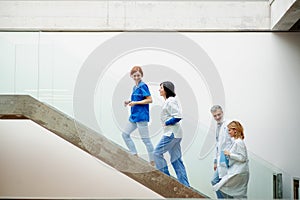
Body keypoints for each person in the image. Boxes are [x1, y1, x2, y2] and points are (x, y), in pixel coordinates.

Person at [153, 81, 190, 187]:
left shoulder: (171, 101)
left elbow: (178, 116)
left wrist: (167, 122)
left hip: (171, 134)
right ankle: (185, 186)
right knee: (176, 160)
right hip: (175, 134)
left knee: (156, 153)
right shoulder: (168, 101)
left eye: (161, 88)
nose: (159, 90)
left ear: (166, 89)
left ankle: (166, 177)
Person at [122, 66, 155, 166]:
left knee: (146, 140)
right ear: (131, 76)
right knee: (125, 134)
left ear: (142, 75)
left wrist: (135, 102)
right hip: (134, 116)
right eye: (135, 75)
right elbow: (137, 100)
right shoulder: (135, 87)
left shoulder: (143, 86)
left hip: (141, 117)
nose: (136, 77)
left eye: (138, 75)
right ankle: (134, 154)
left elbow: (150, 100)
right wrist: (130, 101)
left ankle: (153, 161)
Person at [213, 121, 250, 198]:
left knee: (221, 186)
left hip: (239, 172)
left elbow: (243, 158)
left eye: (230, 130)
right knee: (232, 193)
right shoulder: (236, 142)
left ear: (235, 130)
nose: (228, 132)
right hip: (236, 171)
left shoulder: (239, 142)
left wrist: (230, 154)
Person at [210, 105, 233, 198]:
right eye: (215, 116)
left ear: (222, 112)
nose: (217, 117)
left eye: (219, 114)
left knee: (221, 183)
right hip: (221, 160)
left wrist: (231, 157)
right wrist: (215, 161)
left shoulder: (229, 125)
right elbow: (217, 146)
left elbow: (233, 142)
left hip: (228, 160)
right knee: (217, 182)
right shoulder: (218, 127)